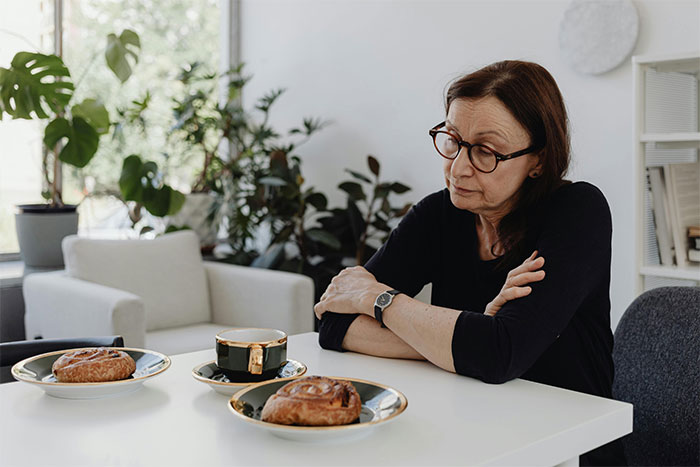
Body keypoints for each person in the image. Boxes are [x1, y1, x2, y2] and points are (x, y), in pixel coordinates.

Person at [314, 60, 626, 466]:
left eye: (486, 151)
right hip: (467, 434)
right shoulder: (439, 215)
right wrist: (468, 333)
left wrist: (380, 301)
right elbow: (333, 322)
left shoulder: (577, 212)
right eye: (453, 140)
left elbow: (499, 354)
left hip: (567, 446)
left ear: (538, 159)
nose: (458, 168)